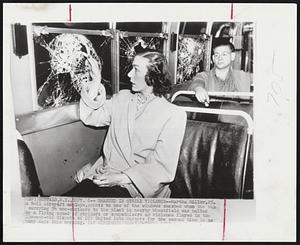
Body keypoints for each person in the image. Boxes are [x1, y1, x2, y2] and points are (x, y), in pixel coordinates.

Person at [63, 51, 187, 198]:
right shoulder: (122, 98)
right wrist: (96, 80)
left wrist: (119, 178)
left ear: (152, 76)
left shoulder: (173, 114)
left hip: (136, 185)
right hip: (103, 175)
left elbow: (161, 167)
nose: (129, 74)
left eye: (136, 69)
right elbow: (91, 117)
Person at [187, 38, 252, 106]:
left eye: (224, 54)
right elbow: (197, 82)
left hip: (237, 114)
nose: (220, 58)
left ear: (232, 56)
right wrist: (199, 89)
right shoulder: (204, 76)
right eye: (216, 55)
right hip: (212, 114)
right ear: (213, 58)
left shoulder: (242, 76)